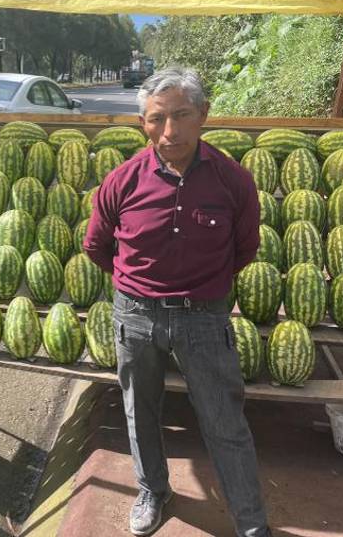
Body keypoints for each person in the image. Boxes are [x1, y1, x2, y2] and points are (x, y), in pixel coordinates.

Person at [83, 67, 272, 536]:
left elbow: (245, 248)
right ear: (143, 123)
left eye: (182, 115)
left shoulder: (234, 181)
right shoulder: (122, 181)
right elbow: (96, 245)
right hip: (137, 316)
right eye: (156, 119)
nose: (169, 131)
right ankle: (153, 490)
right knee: (139, 410)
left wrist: (203, 287)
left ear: (203, 114)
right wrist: (135, 285)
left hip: (204, 319)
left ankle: (250, 522)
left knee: (224, 421)